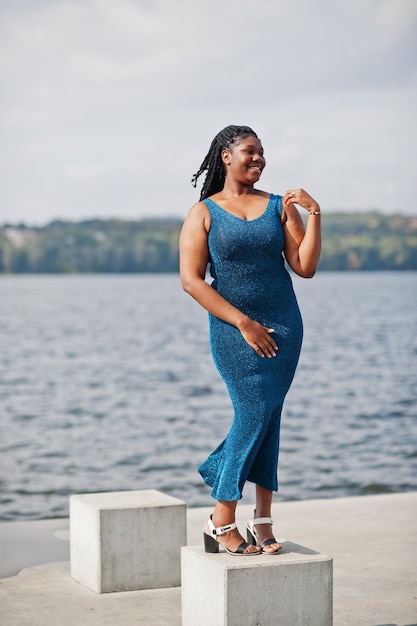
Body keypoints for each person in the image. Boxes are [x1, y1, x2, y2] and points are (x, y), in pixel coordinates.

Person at [179, 125, 321, 555]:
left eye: (263, 153)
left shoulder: (279, 207)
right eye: (250, 152)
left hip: (284, 326)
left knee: (268, 415)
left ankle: (262, 517)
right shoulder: (203, 212)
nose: (259, 159)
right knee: (255, 411)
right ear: (225, 155)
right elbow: (191, 282)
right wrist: (244, 323)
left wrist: (315, 216)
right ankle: (222, 516)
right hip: (233, 330)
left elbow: (305, 266)